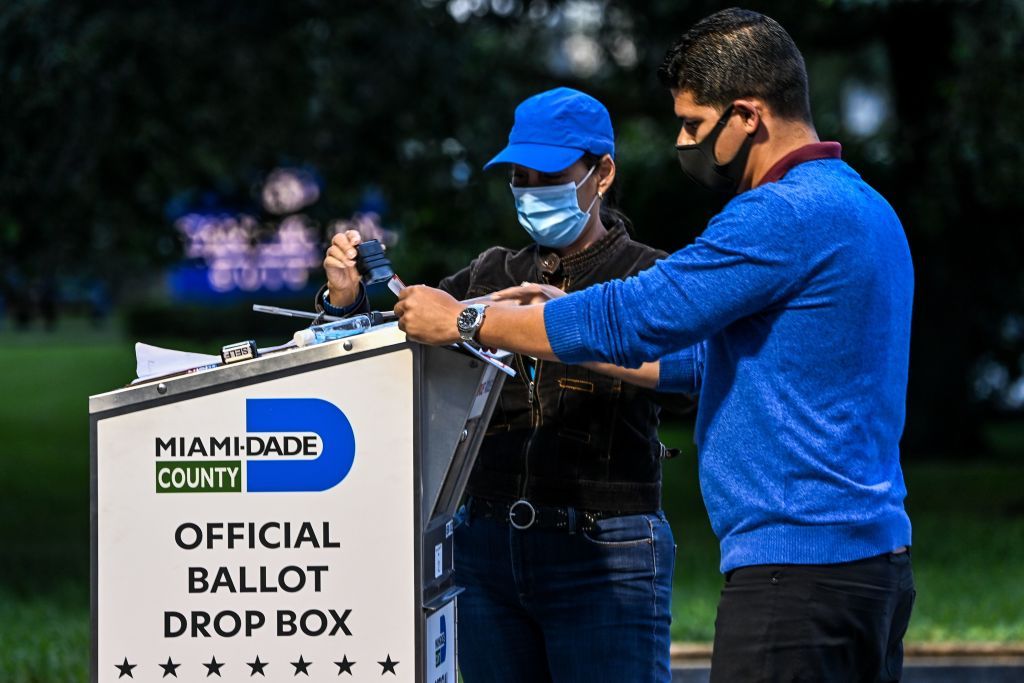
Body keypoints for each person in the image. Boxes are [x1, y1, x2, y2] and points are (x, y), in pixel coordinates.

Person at [395, 9, 916, 682]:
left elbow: (632, 316)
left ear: (749, 116)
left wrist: (464, 322)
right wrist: (566, 319)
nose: (683, 141)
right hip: (872, 566)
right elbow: (695, 349)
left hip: (796, 578)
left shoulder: (777, 215)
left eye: (695, 125)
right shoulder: (865, 206)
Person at [320, 87, 679, 682]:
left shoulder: (646, 274)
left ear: (603, 174)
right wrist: (347, 297)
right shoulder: (491, 271)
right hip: (484, 544)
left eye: (550, 175)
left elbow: (687, 374)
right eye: (521, 176)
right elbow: (394, 348)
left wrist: (559, 320)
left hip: (605, 552)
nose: (533, 191)